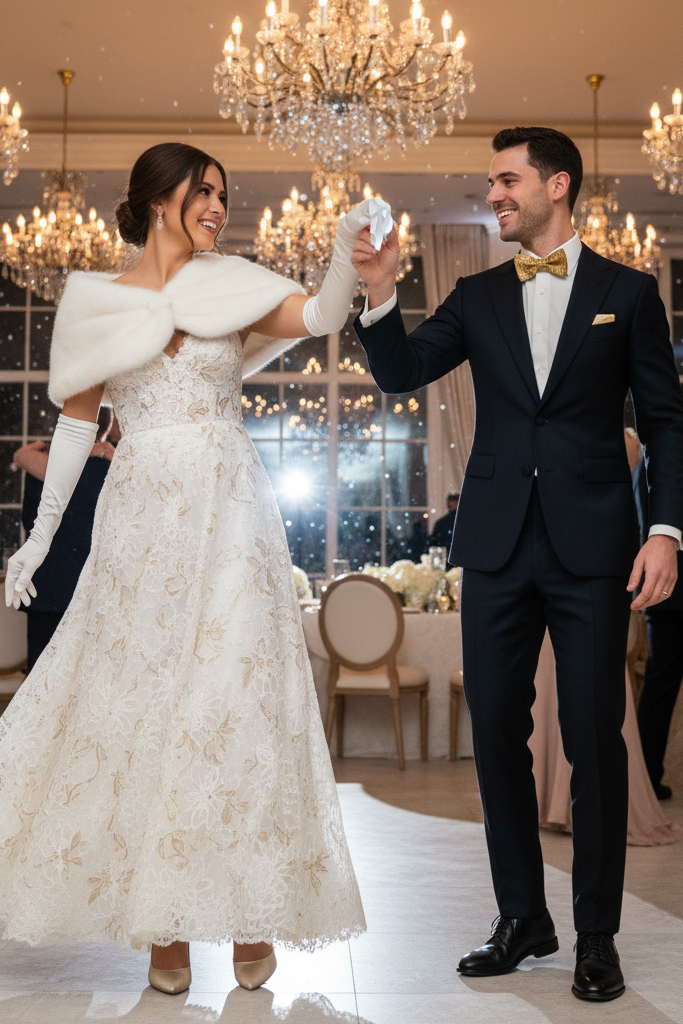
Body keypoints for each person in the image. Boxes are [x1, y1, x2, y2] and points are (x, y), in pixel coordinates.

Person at [1, 142, 380, 995]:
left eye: (222, 193)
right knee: (143, 703)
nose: (216, 205)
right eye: (202, 192)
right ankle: (161, 928)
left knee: (235, 700)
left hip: (233, 516)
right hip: (141, 521)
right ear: (155, 198)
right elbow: (73, 425)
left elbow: (320, 315)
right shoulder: (94, 301)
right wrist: (39, 535)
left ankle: (251, 914)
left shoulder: (231, 284)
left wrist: (341, 252)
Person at [352, 126, 683, 1002]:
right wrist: (380, 294)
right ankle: (520, 918)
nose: (493, 194)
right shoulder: (476, 293)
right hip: (495, 545)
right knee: (493, 730)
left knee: (593, 742)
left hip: (593, 548)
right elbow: (402, 371)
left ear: (557, 185)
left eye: (506, 181)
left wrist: (666, 531)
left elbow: (665, 421)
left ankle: (597, 937)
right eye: (490, 183)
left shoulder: (628, 291)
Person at [13, 409, 118, 672]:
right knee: (88, 673)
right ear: (108, 425)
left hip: (45, 584)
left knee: (41, 674)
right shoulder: (113, 466)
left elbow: (30, 519)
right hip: (93, 586)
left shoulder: (41, 465)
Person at [633, 439, 683, 800]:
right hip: (667, 590)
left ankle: (648, 776)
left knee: (659, 686)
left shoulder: (652, 457)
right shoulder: (661, 457)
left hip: (664, 593)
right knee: (659, 686)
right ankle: (647, 775)